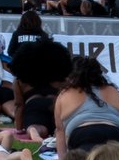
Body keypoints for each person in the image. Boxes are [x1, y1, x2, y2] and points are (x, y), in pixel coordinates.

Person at [7, 9, 73, 137]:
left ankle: (34, 132)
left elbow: (19, 105)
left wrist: (19, 128)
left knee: (37, 127)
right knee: (58, 127)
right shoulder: (61, 79)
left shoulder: (21, 81)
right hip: (55, 105)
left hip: (34, 104)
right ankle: (56, 132)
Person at [54, 57, 119, 153]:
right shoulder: (113, 91)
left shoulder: (66, 94)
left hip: (83, 135)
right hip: (115, 133)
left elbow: (60, 131)